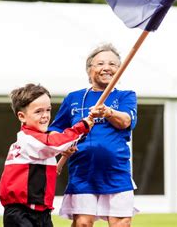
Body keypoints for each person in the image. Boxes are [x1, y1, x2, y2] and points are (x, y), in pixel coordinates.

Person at [49, 43, 138, 227]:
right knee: (82, 224)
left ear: (119, 70)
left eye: (113, 64)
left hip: (116, 171)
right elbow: (55, 131)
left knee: (122, 223)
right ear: (89, 70)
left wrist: (108, 112)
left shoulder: (125, 96)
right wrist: (65, 145)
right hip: (83, 172)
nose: (107, 67)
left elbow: (126, 121)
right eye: (100, 63)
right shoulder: (73, 98)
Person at [0, 83, 94, 227]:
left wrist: (65, 155)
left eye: (48, 110)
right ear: (22, 116)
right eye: (38, 112)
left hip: (42, 212)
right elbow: (55, 143)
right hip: (21, 213)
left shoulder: (41, 142)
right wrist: (82, 126)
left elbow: (49, 171)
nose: (45, 116)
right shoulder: (29, 139)